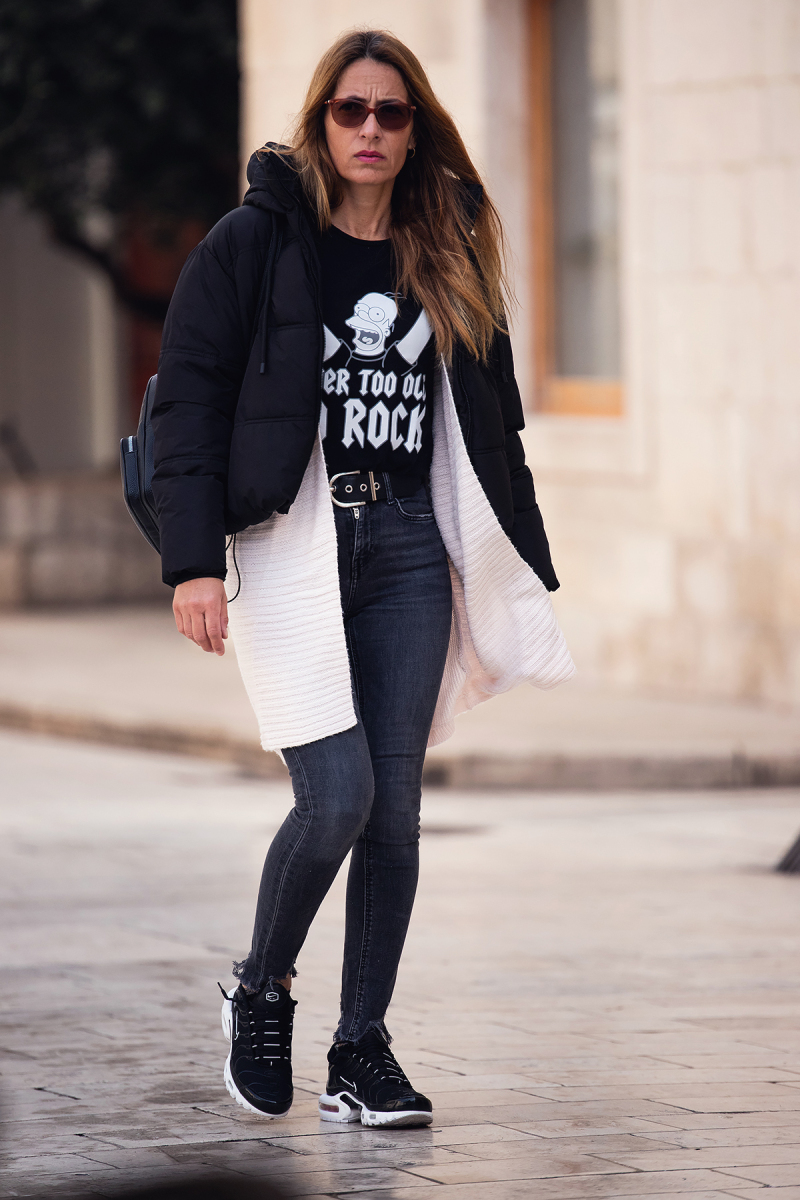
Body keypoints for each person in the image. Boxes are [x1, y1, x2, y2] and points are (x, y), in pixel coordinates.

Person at [151, 29, 573, 1130]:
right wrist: (192, 563)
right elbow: (188, 398)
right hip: (293, 543)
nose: (371, 130)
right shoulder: (255, 242)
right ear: (321, 122)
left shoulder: (448, 252)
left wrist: (525, 554)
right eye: (352, 110)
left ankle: (360, 1049)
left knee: (394, 814)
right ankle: (261, 988)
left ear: (415, 128)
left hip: (407, 549)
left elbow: (495, 425)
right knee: (336, 795)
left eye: (392, 112)